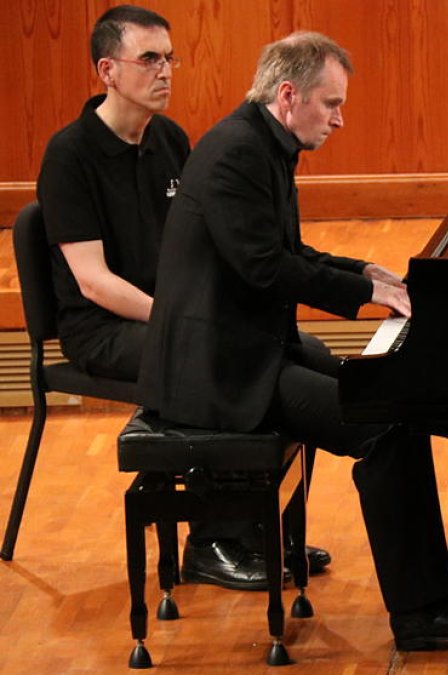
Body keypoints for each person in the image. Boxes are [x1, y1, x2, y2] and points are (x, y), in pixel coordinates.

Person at [137, 31, 448, 648]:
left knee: (394, 403)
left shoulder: (263, 143)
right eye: (331, 103)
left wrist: (362, 271)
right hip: (219, 371)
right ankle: (420, 612)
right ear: (288, 94)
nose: (339, 118)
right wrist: (364, 293)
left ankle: (439, 590)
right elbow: (264, 268)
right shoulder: (237, 153)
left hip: (250, 346)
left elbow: (288, 251)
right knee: (383, 426)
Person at [34, 4, 330, 591]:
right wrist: (189, 320)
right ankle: (211, 543)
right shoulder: (69, 154)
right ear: (108, 70)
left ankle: (271, 529)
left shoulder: (170, 139)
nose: (165, 71)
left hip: (177, 313)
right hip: (103, 328)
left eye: (170, 58)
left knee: (304, 348)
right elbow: (92, 281)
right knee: (225, 358)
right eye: (149, 59)